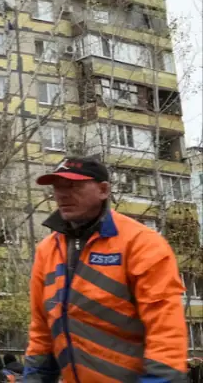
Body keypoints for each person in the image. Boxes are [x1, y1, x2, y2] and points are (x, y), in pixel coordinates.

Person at [24, 157, 188, 383]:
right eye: (57, 187)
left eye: (73, 185)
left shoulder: (140, 243)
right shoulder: (47, 250)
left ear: (103, 190)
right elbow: (42, 332)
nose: (62, 194)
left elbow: (166, 331)